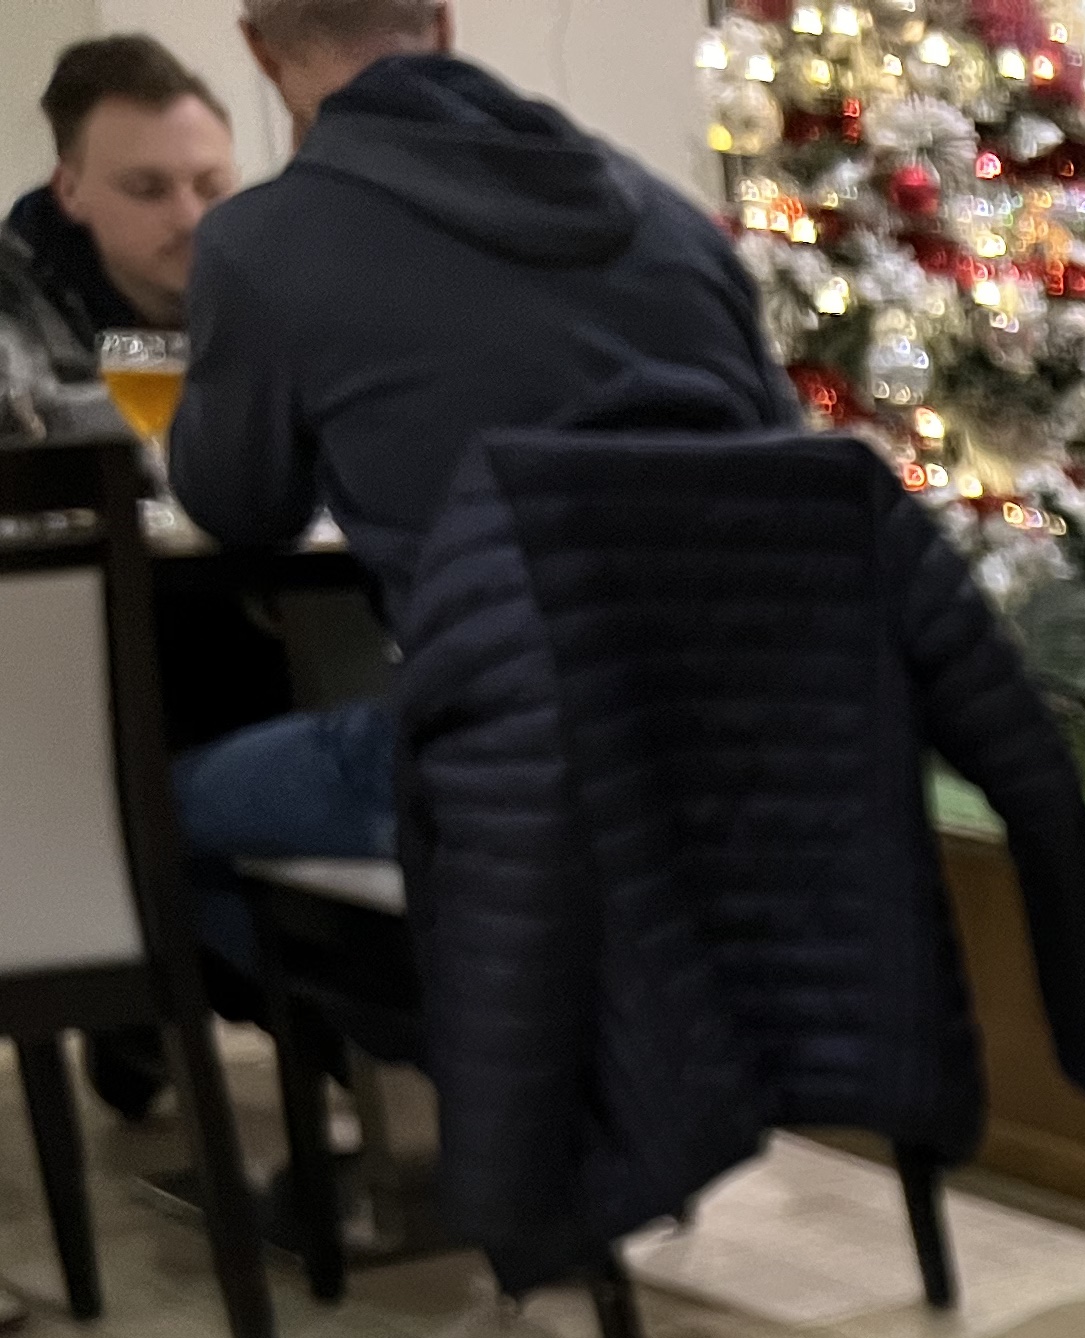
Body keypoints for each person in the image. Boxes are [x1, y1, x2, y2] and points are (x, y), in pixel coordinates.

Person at [162, 0, 791, 983]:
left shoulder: (264, 243)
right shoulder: (672, 222)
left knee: (152, 811)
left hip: (502, 766)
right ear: (444, 24)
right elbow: (790, 477)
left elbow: (239, 506)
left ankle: (416, 1032)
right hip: (759, 756)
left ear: (260, 51)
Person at [7, 33, 238, 353]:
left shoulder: (281, 291)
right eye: (147, 190)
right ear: (70, 191)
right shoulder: (15, 335)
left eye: (212, 188)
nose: (191, 218)